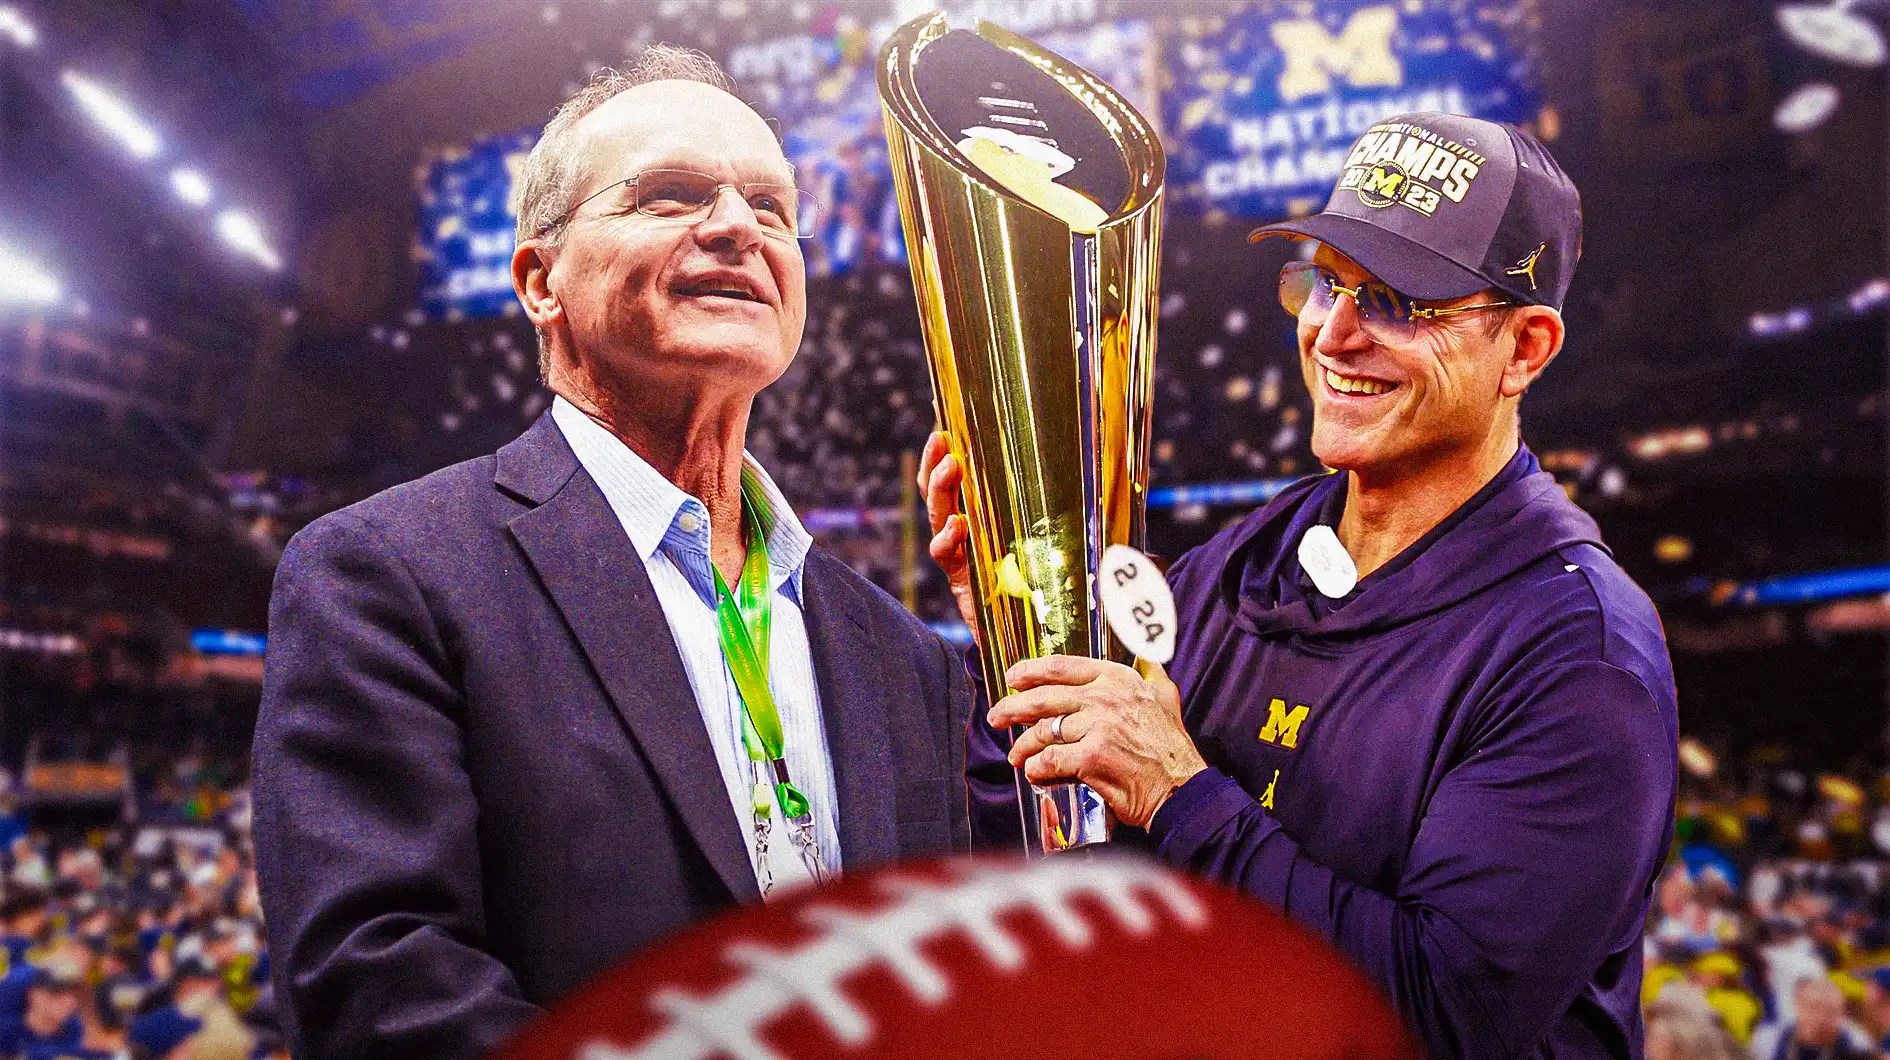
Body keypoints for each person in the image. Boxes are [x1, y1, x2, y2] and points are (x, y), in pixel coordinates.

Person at [254, 46, 973, 1060]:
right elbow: (381, 990)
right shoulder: (386, 575)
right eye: (670, 194)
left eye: (772, 207)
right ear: (540, 280)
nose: (736, 225)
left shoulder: (901, 650)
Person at [920, 113, 1678, 1058]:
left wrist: (1177, 793)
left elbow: (1438, 1019)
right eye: (1324, 280)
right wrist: (1021, 635)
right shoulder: (1255, 553)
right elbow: (1055, 848)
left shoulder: (1577, 653)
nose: (1333, 331)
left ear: (1523, 349)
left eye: (1400, 300)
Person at [1748, 977, 1872, 1060]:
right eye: (1812, 1007)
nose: (1821, 1017)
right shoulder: (1767, 1040)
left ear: (1842, 1014)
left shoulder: (1859, 1044)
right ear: (1797, 1006)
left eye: (1831, 1010)